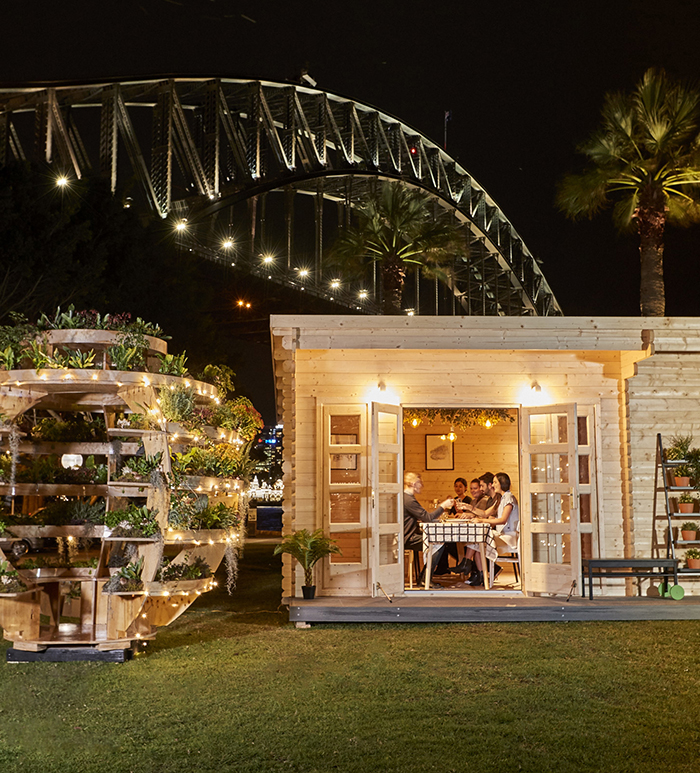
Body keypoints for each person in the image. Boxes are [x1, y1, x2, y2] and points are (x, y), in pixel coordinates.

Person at [463, 472, 519, 586]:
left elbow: (503, 520)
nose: (493, 485)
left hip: (509, 536)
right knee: (478, 540)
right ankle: (480, 574)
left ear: (502, 483)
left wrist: (482, 521)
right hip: (501, 534)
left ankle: (467, 564)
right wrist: (469, 507)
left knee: (479, 538)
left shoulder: (509, 498)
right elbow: (485, 513)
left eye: (495, 482)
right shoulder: (501, 498)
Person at [403, 472, 454, 584]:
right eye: (420, 483)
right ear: (413, 483)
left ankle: (424, 578)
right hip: (407, 538)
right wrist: (443, 506)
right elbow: (428, 517)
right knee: (438, 543)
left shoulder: (406, 498)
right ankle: (425, 579)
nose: (422, 485)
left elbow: (424, 517)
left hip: (407, 535)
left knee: (438, 541)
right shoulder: (409, 500)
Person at [434, 477, 471, 574]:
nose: (458, 488)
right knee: (443, 541)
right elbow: (452, 515)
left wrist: (456, 506)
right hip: (455, 529)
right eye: (456, 486)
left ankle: (461, 563)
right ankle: (443, 568)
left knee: (447, 544)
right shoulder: (454, 499)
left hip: (464, 530)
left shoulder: (468, 500)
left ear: (465, 488)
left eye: (460, 486)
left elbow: (465, 516)